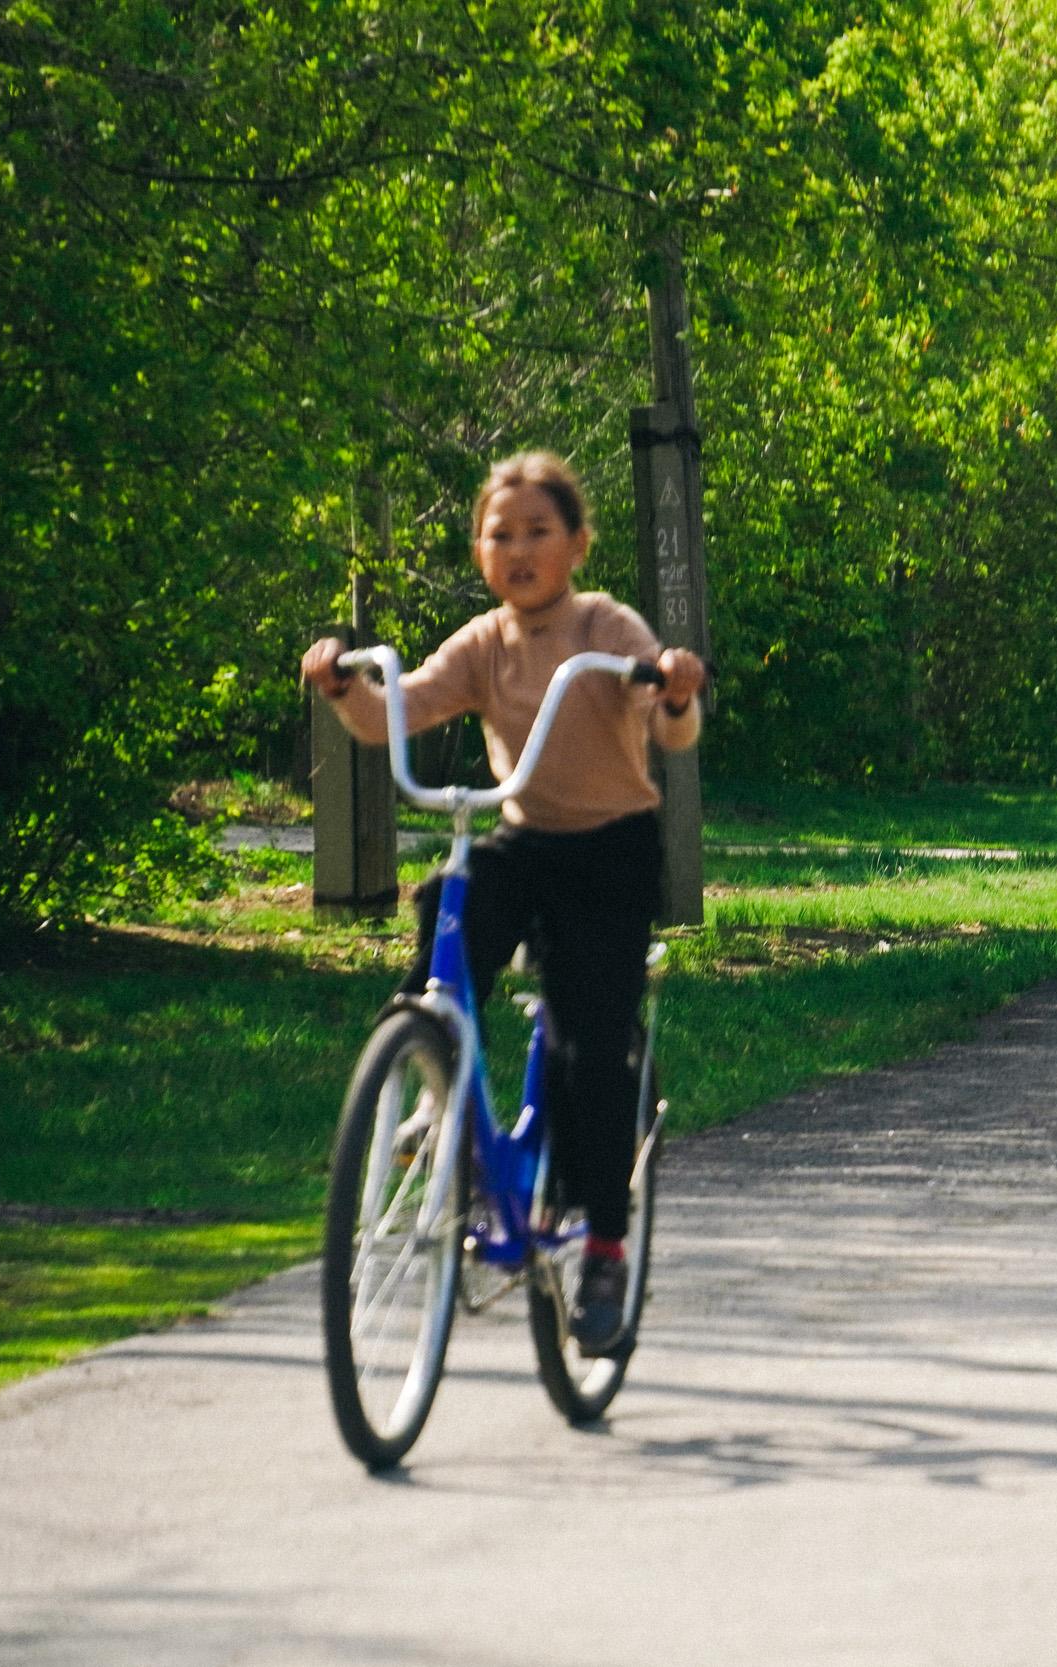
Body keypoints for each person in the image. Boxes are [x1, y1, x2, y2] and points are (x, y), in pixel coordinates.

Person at [301, 451, 706, 1354]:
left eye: (538, 532)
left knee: (587, 1051)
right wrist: (343, 686)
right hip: (525, 835)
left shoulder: (605, 624)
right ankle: (429, 1068)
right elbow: (396, 711)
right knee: (451, 896)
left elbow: (672, 718)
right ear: (480, 550)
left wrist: (673, 687)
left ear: (577, 544)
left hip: (610, 848)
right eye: (499, 534)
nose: (518, 549)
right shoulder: (485, 642)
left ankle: (602, 1247)